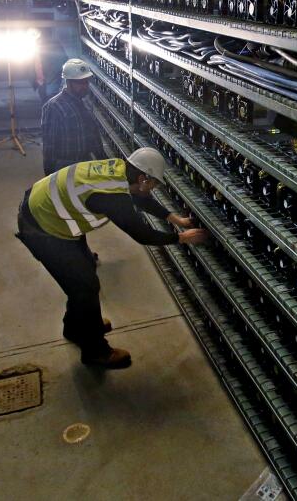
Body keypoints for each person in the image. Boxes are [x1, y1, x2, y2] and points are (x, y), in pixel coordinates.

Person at [15, 147, 208, 368]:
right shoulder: (112, 195)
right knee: (84, 286)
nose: (153, 188)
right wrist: (182, 238)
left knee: (83, 273)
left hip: (48, 211)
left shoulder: (120, 170)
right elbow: (141, 234)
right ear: (143, 178)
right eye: (154, 183)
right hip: (42, 228)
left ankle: (77, 327)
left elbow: (139, 197)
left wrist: (175, 218)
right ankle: (96, 352)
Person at [41, 58, 101, 176]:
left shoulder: (85, 103)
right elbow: (49, 147)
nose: (85, 86)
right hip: (64, 167)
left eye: (86, 81)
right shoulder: (54, 107)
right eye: (80, 82)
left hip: (85, 163)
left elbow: (94, 136)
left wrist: (103, 161)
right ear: (68, 82)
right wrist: (49, 177)